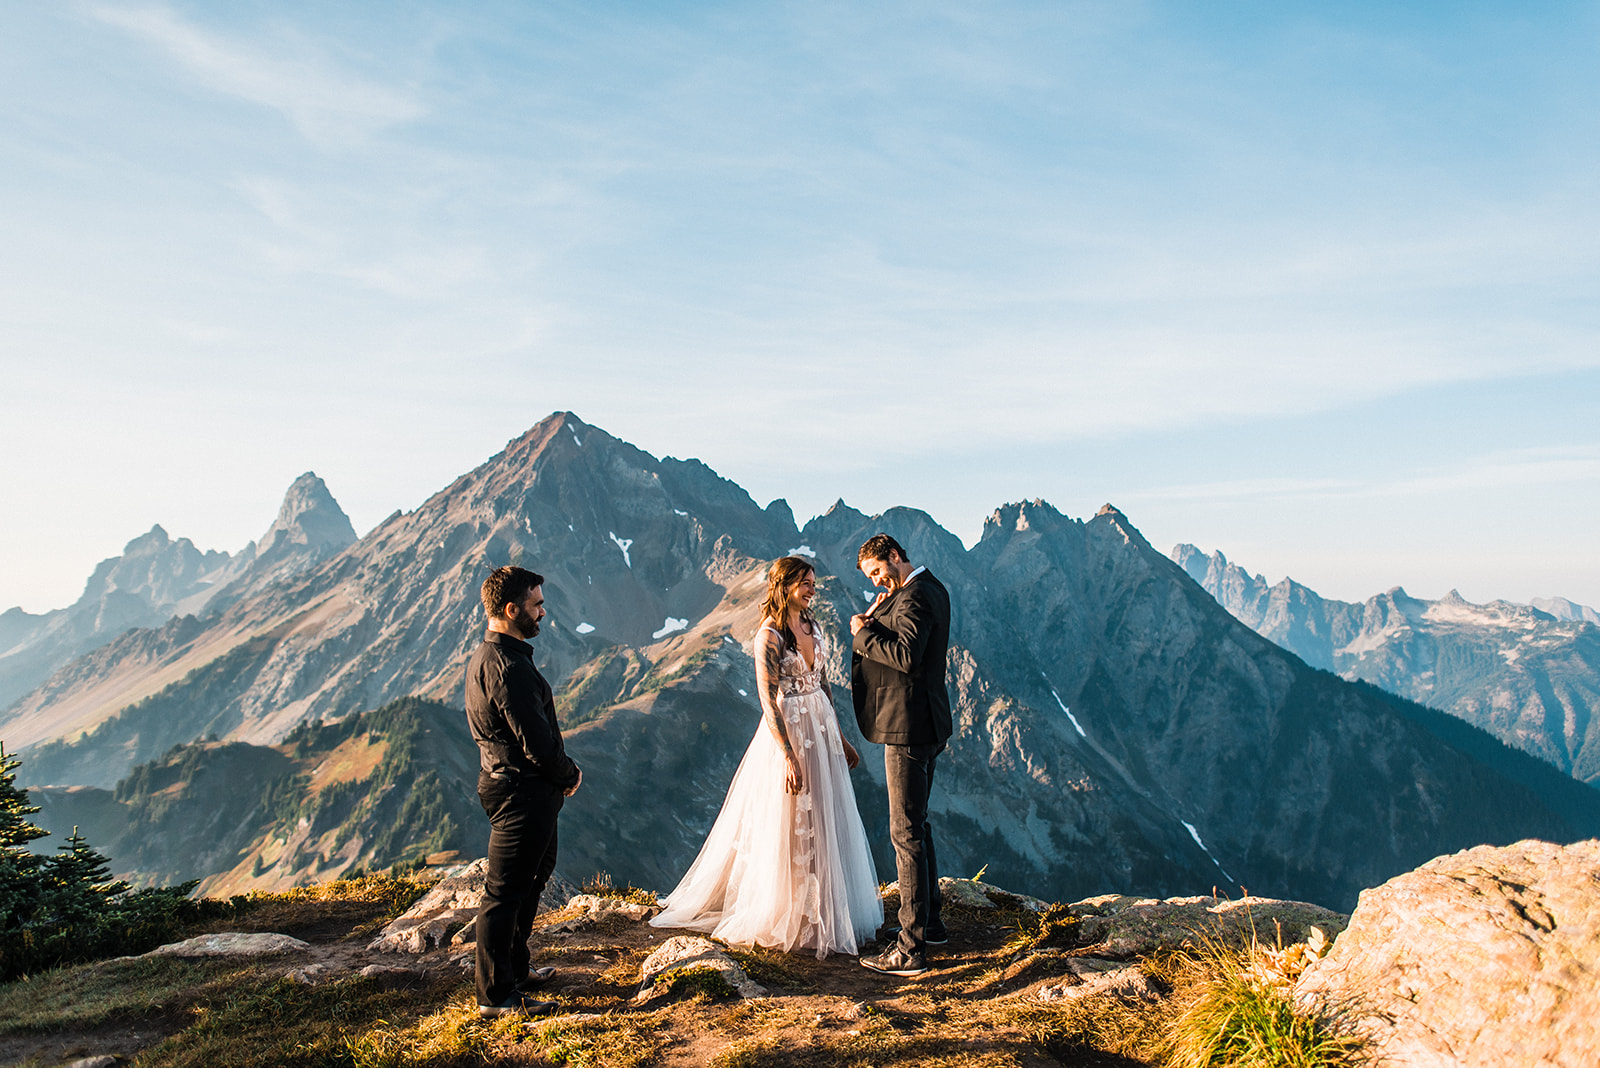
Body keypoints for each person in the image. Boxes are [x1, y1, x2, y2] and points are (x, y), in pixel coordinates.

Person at [651, 556, 881, 957]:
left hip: (821, 728)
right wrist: (788, 756)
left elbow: (824, 685)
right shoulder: (769, 635)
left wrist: (841, 738)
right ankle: (788, 911)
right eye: (805, 583)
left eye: (813, 582)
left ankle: (824, 908)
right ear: (785, 584)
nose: (812, 589)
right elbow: (767, 701)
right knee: (792, 821)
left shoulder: (813, 625)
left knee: (826, 815)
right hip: (790, 731)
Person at [465, 565, 583, 1018]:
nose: (543, 613)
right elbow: (534, 741)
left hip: (522, 791)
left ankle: (516, 969)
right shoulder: (506, 667)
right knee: (504, 893)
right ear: (511, 610)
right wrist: (568, 773)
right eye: (536, 605)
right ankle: (495, 997)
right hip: (520, 793)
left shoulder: (497, 657)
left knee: (533, 877)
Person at [850, 533, 952, 977]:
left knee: (904, 832)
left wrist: (863, 635)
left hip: (909, 727)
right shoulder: (927, 589)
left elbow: (907, 657)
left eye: (877, 572)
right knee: (919, 825)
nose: (876, 583)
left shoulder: (915, 596)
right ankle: (930, 924)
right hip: (925, 722)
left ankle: (909, 950)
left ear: (894, 557)